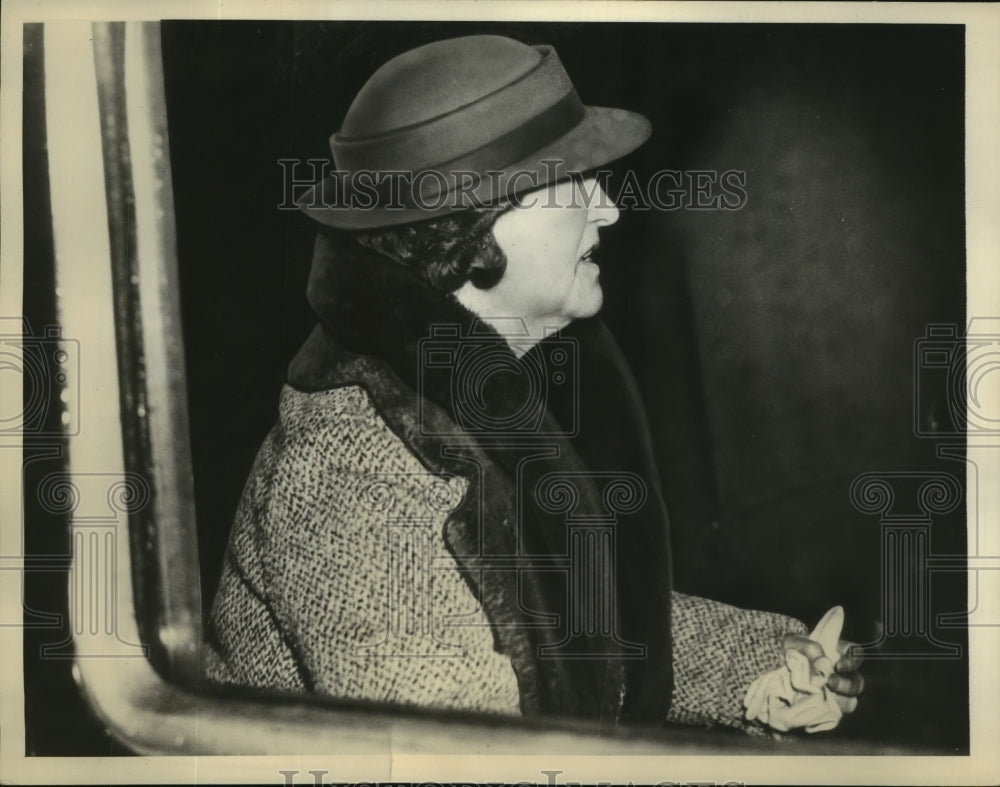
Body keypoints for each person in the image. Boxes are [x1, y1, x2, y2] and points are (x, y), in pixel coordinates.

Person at [205, 34, 863, 734]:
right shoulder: (350, 477)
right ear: (471, 226)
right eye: (574, 181)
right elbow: (469, 760)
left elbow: (559, 621)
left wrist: (763, 665)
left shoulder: (477, 383)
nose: (607, 209)